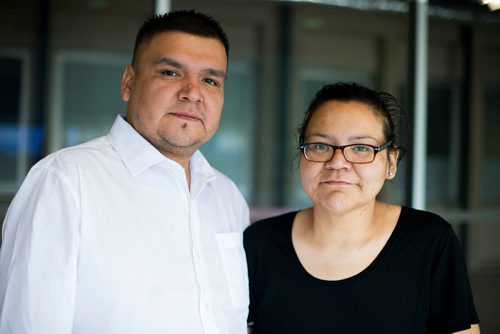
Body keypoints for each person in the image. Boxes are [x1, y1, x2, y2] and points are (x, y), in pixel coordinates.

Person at [0, 10, 250, 334]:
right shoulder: (64, 182)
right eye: (171, 72)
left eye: (210, 80)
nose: (192, 92)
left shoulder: (227, 197)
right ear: (128, 83)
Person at [244, 82, 480, 334]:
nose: (337, 163)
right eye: (321, 146)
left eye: (360, 148)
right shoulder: (260, 243)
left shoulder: (429, 240)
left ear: (391, 162)